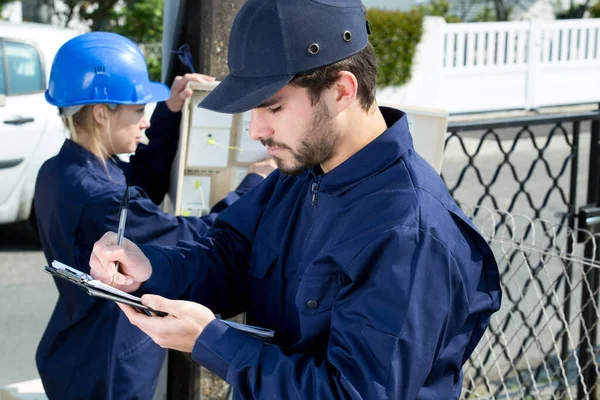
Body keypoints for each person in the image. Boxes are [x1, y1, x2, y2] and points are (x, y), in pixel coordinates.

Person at [89, 1, 502, 398]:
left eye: (272, 106)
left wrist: (214, 342)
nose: (255, 130)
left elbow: (351, 393)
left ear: (341, 90)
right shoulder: (306, 171)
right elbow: (232, 255)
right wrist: (150, 269)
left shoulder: (410, 232)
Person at [34, 32, 275, 400]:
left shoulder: (62, 170)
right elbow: (193, 236)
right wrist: (253, 185)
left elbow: (137, 189)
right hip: (109, 368)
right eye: (138, 111)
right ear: (102, 114)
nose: (145, 121)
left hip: (75, 348)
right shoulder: (100, 196)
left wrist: (169, 113)